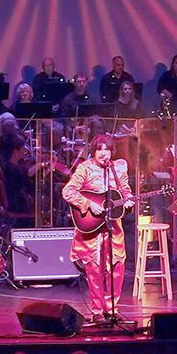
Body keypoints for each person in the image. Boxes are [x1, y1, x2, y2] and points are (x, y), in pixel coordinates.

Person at [61, 134, 133, 323]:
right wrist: (88, 204)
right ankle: (97, 311)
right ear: (94, 151)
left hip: (113, 226)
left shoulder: (119, 167)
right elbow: (68, 191)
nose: (103, 152)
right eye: (100, 149)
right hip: (91, 230)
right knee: (94, 270)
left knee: (117, 268)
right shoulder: (85, 168)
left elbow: (125, 190)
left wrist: (128, 201)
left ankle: (112, 309)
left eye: (107, 148)